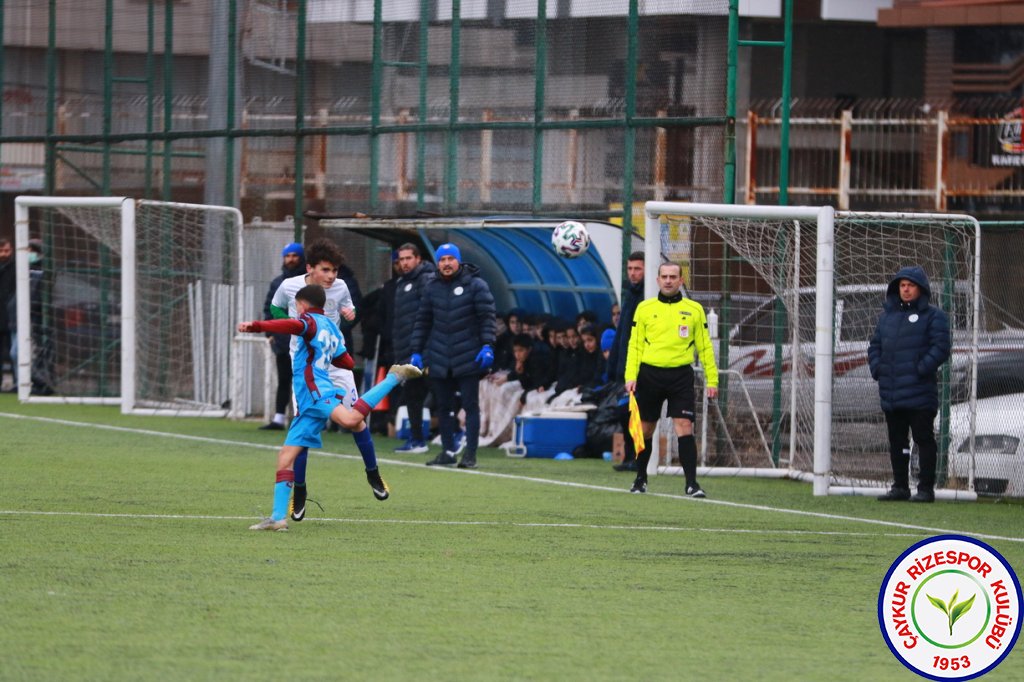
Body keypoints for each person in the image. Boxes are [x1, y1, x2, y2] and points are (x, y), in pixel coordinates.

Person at [237, 284, 421, 531]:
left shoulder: (308, 321)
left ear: (302, 304)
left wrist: (257, 326)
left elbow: (292, 326)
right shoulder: (332, 328)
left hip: (315, 392)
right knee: (285, 458)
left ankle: (393, 378)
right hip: (308, 402)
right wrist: (325, 353)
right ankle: (277, 518)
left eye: (297, 307)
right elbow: (346, 361)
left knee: (351, 420)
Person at [269, 238, 359, 521]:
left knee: (355, 421)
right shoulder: (289, 286)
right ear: (311, 269)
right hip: (304, 371)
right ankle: (298, 494)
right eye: (326, 270)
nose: (332, 276)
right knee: (304, 435)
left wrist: (349, 315)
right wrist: (292, 329)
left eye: (335, 270)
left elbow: (351, 314)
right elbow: (274, 309)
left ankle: (373, 474)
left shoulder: (341, 287)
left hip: (330, 367)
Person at [624, 261, 718, 497]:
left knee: (685, 427)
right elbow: (634, 345)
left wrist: (712, 379)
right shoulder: (644, 308)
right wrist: (630, 376)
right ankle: (640, 479)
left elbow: (705, 347)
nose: (668, 280)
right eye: (664, 276)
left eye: (673, 276)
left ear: (681, 280)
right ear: (657, 280)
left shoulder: (694, 309)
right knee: (645, 429)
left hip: (680, 376)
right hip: (649, 375)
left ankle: (691, 484)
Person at [868, 266, 951, 504]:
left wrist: (920, 368)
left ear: (920, 288)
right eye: (902, 285)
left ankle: (925, 489)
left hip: (920, 392)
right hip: (892, 392)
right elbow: (874, 346)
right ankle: (900, 486)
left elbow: (941, 347)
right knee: (897, 440)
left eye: (910, 285)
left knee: (923, 438)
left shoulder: (933, 316)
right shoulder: (887, 317)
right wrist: (878, 368)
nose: (906, 289)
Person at [410, 243, 496, 469]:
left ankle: (470, 454)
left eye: (450, 259)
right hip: (439, 357)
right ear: (437, 263)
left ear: (458, 260)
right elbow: (423, 321)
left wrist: (487, 345)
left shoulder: (476, 285)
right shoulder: (431, 287)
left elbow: (487, 317)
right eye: (442, 260)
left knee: (470, 406)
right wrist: (416, 351)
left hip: (468, 356)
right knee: (444, 407)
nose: (446, 263)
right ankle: (448, 451)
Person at [391, 243, 436, 453]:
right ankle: (417, 440)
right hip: (406, 351)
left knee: (441, 394)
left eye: (409, 258)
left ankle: (452, 437)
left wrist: (424, 350)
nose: (405, 263)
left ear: (418, 259)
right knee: (412, 396)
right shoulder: (401, 283)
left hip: (425, 351)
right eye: (401, 259)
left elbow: (428, 316)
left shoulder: (426, 280)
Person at [259, 242, 306, 431]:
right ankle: (279, 418)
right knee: (284, 379)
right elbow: (269, 309)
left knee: (304, 381)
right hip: (283, 341)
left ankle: (306, 418)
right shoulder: (277, 283)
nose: (291, 259)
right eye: (288, 256)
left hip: (304, 341)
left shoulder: (307, 281)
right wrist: (271, 333)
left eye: (295, 255)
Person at [609, 251, 645, 472]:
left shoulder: (647, 296)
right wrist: (613, 365)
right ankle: (630, 456)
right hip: (625, 366)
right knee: (624, 412)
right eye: (630, 269)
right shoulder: (630, 295)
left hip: (640, 367)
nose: (633, 273)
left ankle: (639, 459)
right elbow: (622, 333)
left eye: (637, 269)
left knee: (636, 413)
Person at [0, 238, 13, 390]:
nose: (4, 254)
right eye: (1, 250)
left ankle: (18, 382)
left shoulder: (17, 267)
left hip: (12, 318)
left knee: (13, 351)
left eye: (6, 250)